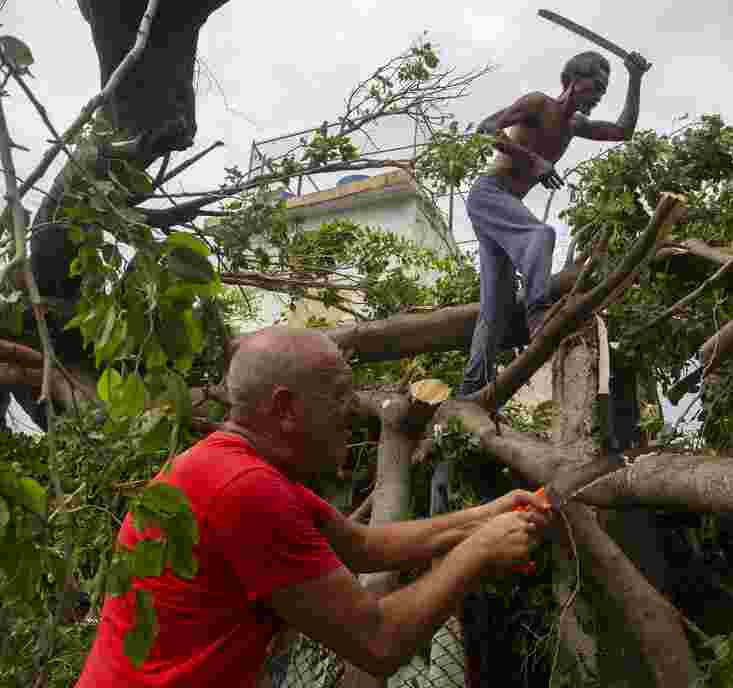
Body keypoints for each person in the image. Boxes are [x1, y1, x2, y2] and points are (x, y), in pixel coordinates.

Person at [75, 327, 551, 686]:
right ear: (285, 410)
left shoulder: (235, 468)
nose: (351, 409)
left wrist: (486, 515)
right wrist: (477, 553)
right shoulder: (245, 489)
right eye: (339, 395)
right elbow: (378, 643)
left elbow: (363, 546)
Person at [457, 49, 651, 398]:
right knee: (541, 233)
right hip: (489, 194)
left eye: (604, 92)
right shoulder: (537, 104)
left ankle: (472, 388)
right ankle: (538, 313)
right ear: (574, 82)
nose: (599, 96)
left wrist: (635, 79)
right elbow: (486, 129)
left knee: (496, 306)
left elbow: (623, 131)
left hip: (505, 205)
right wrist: (533, 161)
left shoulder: (574, 125)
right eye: (596, 87)